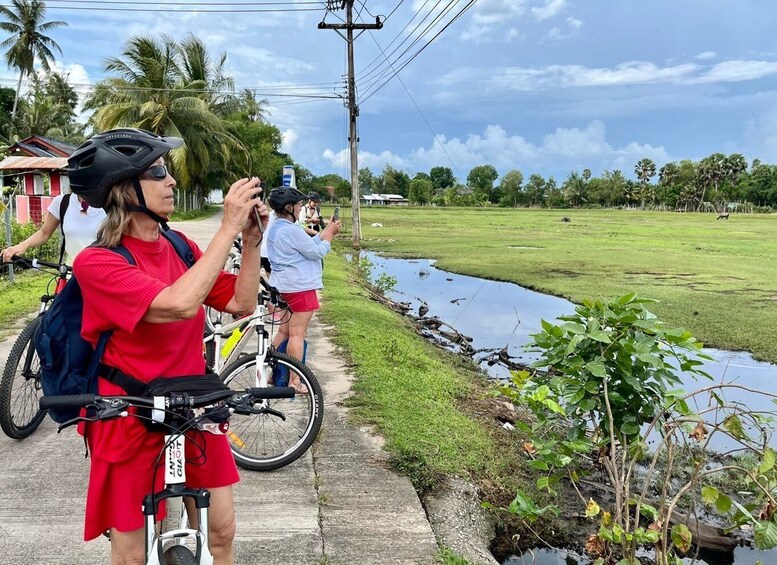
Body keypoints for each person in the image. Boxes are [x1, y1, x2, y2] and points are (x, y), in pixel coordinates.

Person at [67, 128, 268, 564]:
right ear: (123, 189)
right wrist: (227, 224)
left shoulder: (180, 246)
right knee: (132, 551)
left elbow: (241, 301)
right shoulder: (98, 262)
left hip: (191, 401)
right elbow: (178, 304)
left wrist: (250, 242)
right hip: (128, 411)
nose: (171, 181)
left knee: (222, 531)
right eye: (158, 172)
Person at [265, 187, 340, 390]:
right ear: (289, 207)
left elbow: (307, 244)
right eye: (298, 205)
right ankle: (295, 380)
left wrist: (326, 231)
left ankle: (271, 372)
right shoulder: (290, 230)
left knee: (284, 331)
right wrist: (330, 237)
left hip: (283, 286)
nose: (300, 209)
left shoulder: (278, 228)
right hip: (299, 287)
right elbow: (316, 253)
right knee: (297, 334)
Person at [0, 191, 106, 263]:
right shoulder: (62, 202)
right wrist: (21, 246)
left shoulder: (113, 202)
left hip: (106, 271)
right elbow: (44, 232)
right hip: (73, 272)